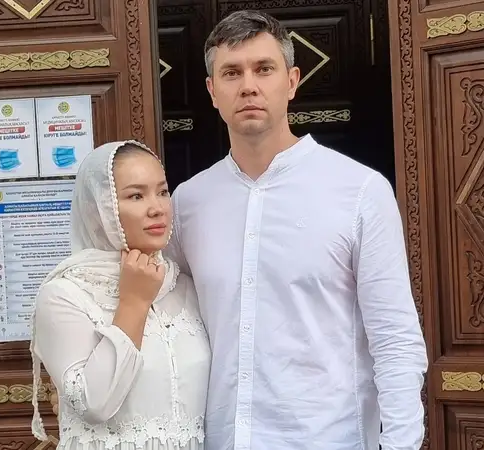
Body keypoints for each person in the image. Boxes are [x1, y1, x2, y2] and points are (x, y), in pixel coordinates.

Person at [50, 9, 428, 450]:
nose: (248, 85)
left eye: (264, 69)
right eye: (231, 72)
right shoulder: (188, 203)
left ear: (292, 81)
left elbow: (396, 340)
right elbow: (155, 311)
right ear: (212, 91)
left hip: (327, 438)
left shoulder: (359, 191)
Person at [29, 140, 211, 450]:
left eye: (162, 192)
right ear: (99, 209)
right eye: (136, 196)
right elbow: (94, 404)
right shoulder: (65, 295)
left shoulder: (183, 285)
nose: (157, 207)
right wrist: (133, 302)